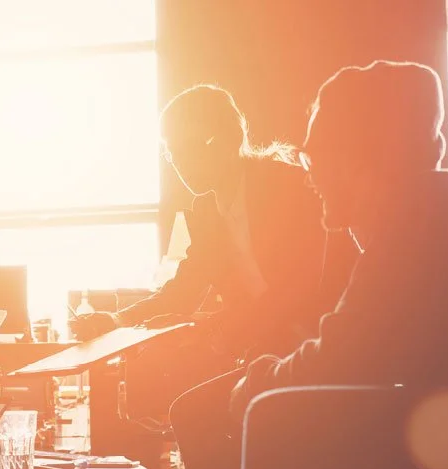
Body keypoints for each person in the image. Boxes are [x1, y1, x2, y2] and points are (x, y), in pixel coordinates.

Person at [184, 60, 448, 469]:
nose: (308, 172)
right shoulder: (437, 208)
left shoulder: (420, 227)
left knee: (275, 412)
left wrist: (258, 380)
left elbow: (341, 356)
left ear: (362, 161)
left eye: (314, 154)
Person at [73, 85, 335, 420]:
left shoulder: (284, 186)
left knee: (203, 415)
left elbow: (301, 286)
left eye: (188, 147)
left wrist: (221, 333)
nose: (179, 164)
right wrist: (116, 320)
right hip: (269, 349)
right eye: (171, 153)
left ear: (226, 139)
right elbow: (185, 289)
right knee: (184, 411)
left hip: (321, 341)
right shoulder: (206, 211)